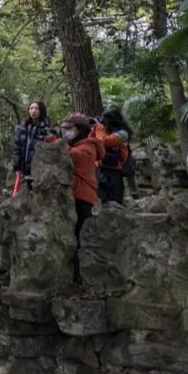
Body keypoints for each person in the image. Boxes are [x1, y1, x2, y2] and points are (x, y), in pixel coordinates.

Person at [47, 113, 103, 283]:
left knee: (81, 236)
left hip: (82, 195)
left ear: (80, 130)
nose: (65, 132)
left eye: (69, 129)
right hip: (76, 194)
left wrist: (55, 141)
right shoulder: (79, 144)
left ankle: (81, 274)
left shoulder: (88, 147)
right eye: (63, 129)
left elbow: (72, 156)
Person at [93, 107, 133, 205]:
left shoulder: (123, 133)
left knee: (115, 203)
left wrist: (99, 127)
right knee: (104, 202)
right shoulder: (106, 132)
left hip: (115, 173)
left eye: (106, 120)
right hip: (103, 171)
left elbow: (104, 141)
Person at [13, 100, 51, 187]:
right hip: (24, 170)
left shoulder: (46, 129)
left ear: (41, 111)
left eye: (36, 108)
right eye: (31, 108)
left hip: (38, 171)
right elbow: (17, 148)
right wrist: (17, 166)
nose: (33, 111)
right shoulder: (22, 128)